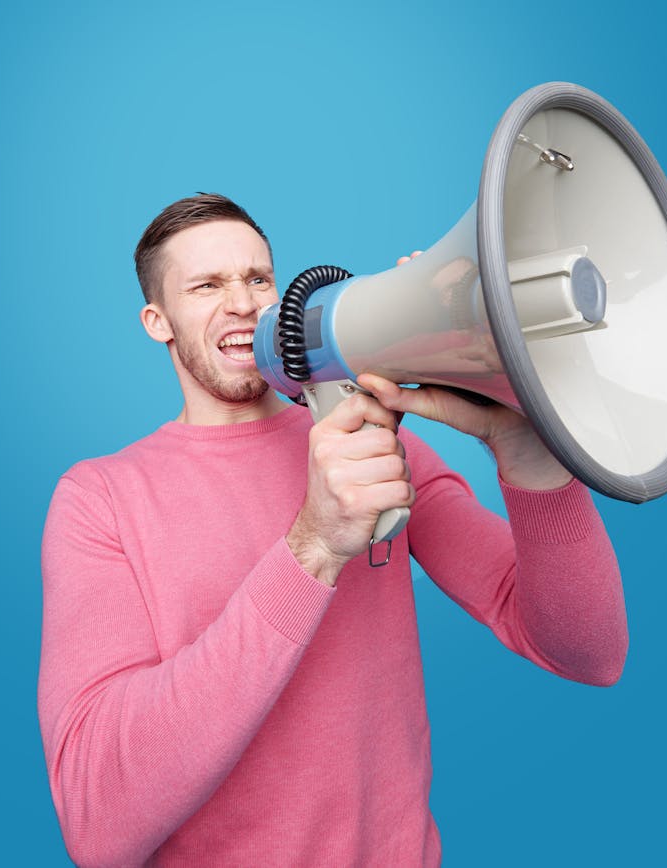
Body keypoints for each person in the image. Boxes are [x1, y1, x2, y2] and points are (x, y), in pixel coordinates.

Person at [38, 193, 628, 868]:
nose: (242, 302)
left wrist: (528, 453)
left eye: (258, 279)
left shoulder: (370, 444)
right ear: (157, 321)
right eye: (206, 286)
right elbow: (97, 824)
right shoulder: (100, 499)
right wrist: (313, 546)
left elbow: (587, 652)